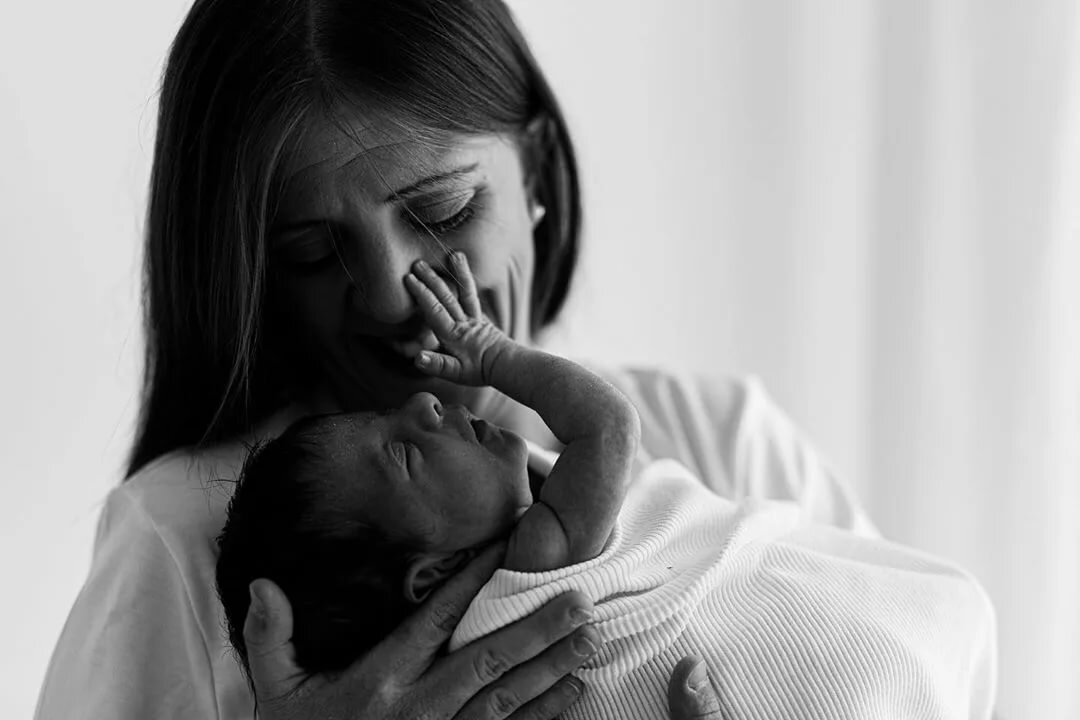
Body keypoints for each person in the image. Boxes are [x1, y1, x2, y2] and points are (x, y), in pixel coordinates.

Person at [34, 1, 891, 718]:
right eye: (310, 251)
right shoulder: (182, 538)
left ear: (538, 175)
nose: (387, 297)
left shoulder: (726, 442)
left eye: (442, 211)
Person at [216, 255, 997, 719]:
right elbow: (609, 428)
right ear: (432, 575)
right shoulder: (525, 571)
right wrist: (492, 352)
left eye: (445, 211)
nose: (424, 405)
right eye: (403, 455)